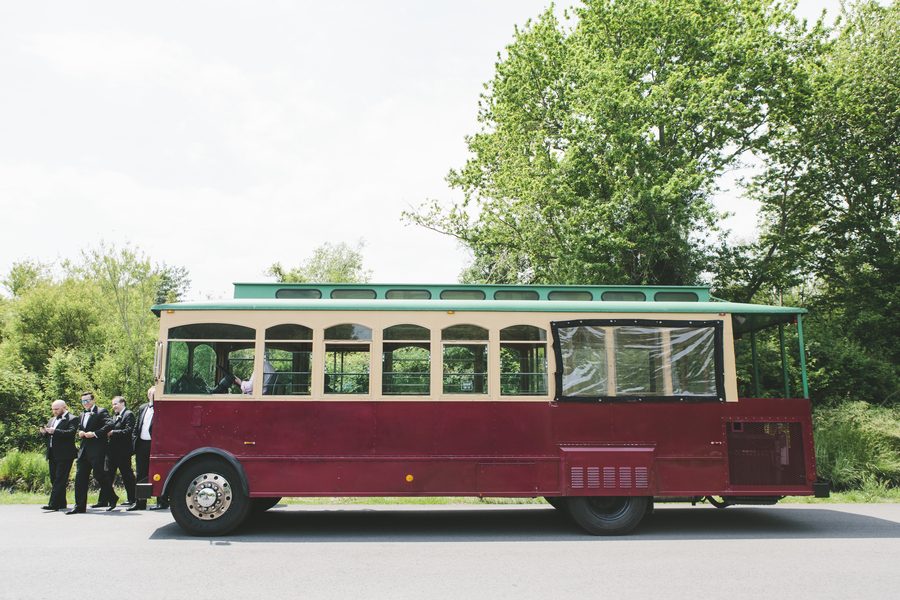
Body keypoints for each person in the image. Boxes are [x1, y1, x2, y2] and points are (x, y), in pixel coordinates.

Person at [67, 392, 117, 514]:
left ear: (93, 400)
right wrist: (80, 432)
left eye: (87, 400)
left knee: (99, 475)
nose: (85, 403)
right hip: (84, 450)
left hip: (97, 450)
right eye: (83, 401)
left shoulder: (101, 412)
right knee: (80, 477)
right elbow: (81, 427)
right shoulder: (81, 414)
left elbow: (110, 424)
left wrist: (95, 434)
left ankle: (112, 497)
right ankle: (79, 506)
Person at [128, 386, 167, 511]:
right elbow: (138, 425)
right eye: (152, 394)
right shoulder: (142, 408)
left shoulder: (162, 408)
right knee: (141, 473)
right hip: (142, 444)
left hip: (155, 445)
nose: (154, 397)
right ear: (148, 396)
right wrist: (135, 440)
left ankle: (161, 501)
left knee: (157, 472)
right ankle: (140, 502)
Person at [98, 396, 136, 509]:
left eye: (115, 404)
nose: (113, 406)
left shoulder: (129, 414)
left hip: (123, 451)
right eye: (113, 404)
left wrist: (113, 433)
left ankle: (132, 498)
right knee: (107, 473)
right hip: (112, 451)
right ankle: (104, 499)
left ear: (122, 403)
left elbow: (128, 431)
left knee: (127, 474)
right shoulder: (114, 416)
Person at [39, 400, 78, 511]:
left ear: (64, 407)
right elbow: (48, 435)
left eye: (57, 409)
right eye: (53, 409)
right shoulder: (52, 420)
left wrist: (55, 431)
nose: (54, 411)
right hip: (52, 453)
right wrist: (43, 432)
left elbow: (70, 433)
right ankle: (61, 503)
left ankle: (53, 504)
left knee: (60, 479)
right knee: (54, 479)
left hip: (65, 454)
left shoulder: (72, 419)